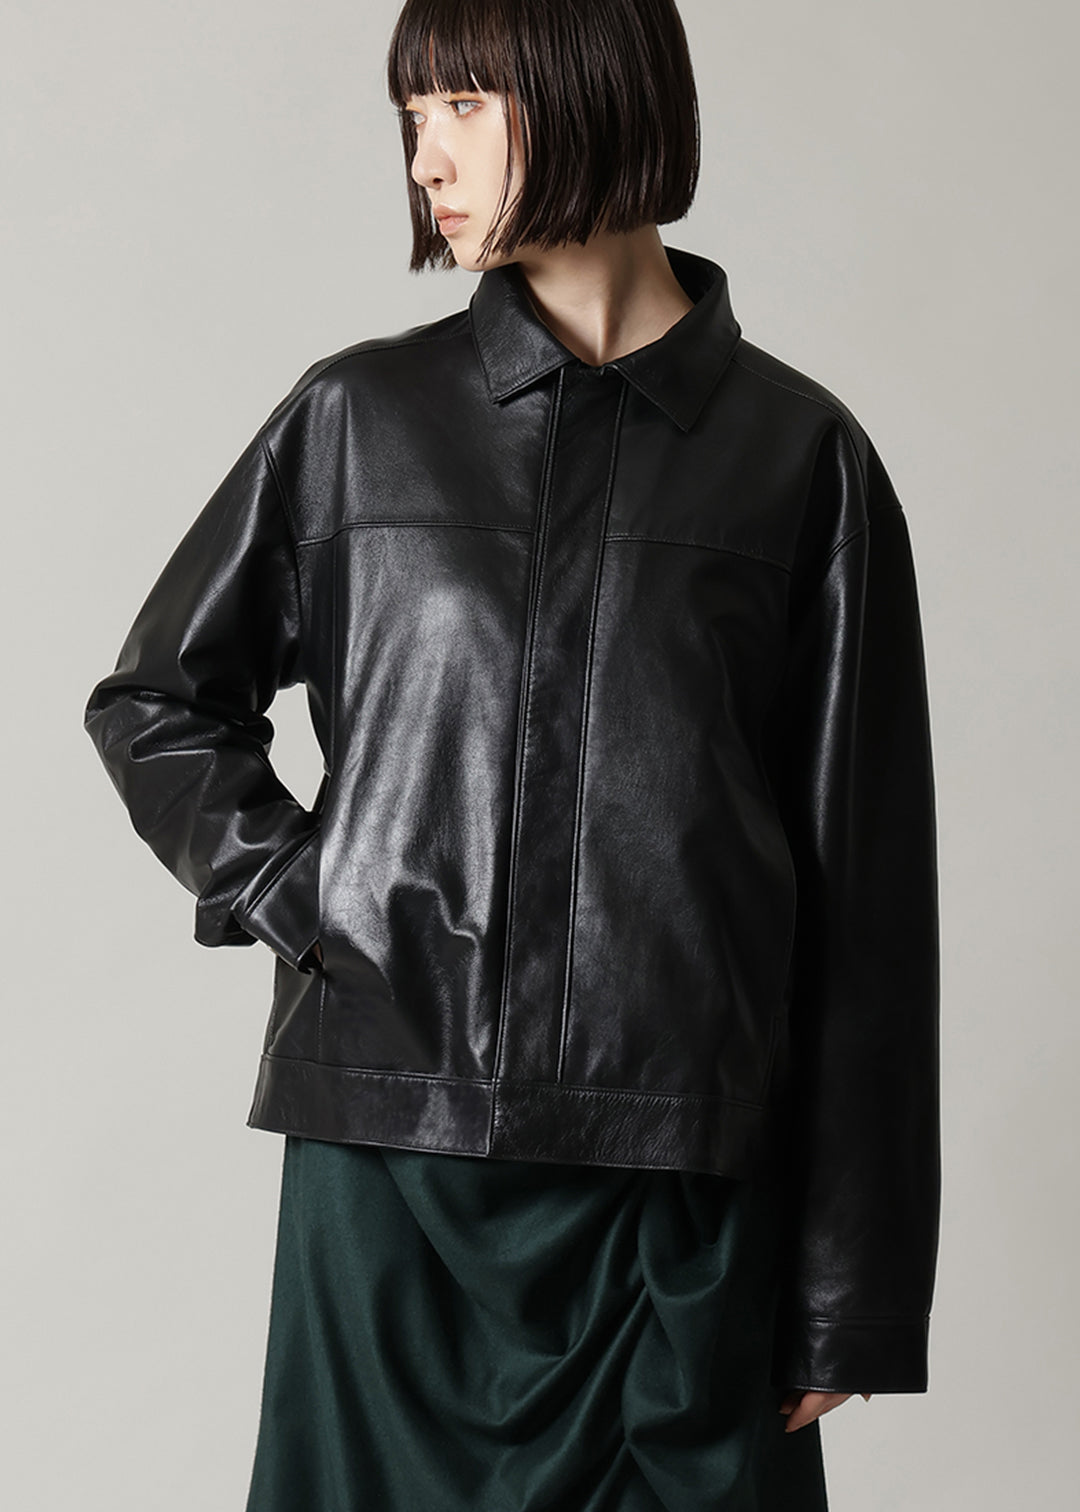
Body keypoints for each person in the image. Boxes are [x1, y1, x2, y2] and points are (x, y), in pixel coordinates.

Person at [82, 0, 940, 1507]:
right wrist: (313, 897)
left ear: (594, 88)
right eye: (412, 115)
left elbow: (865, 900)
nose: (426, 157)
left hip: (678, 1199)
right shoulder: (358, 418)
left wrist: (848, 1288)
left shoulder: (802, 459)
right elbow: (157, 701)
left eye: (464, 105)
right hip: (391, 1178)